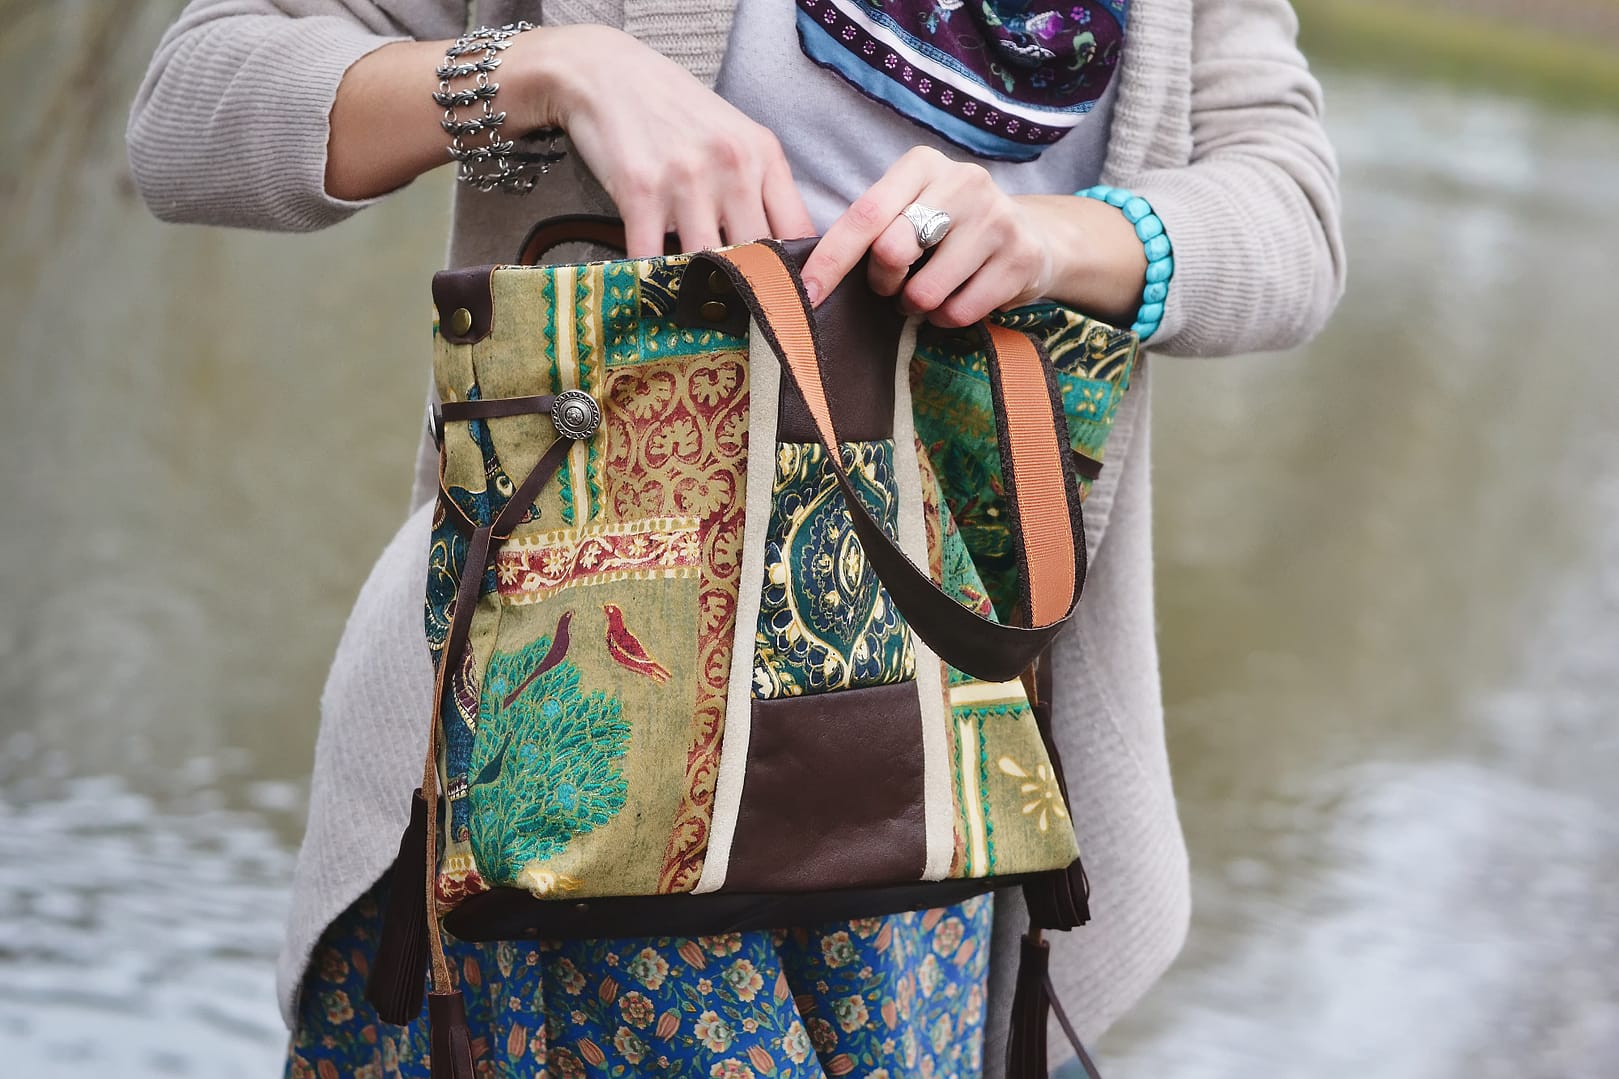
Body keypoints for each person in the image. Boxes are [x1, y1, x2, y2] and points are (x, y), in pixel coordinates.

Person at [129, 1, 1343, 1075]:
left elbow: (1289, 209)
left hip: (936, 778)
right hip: (555, 757)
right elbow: (191, 110)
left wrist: (1055, 237)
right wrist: (553, 70)